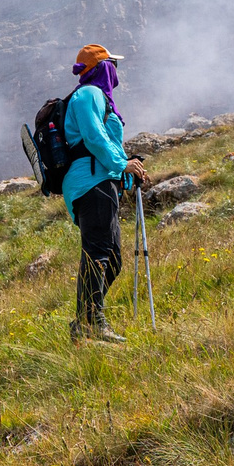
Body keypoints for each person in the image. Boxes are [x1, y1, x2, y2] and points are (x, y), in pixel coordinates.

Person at [60, 43, 146, 344]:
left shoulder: (96, 97)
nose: (115, 72)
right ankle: (92, 323)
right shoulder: (88, 95)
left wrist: (124, 172)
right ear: (101, 68)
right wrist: (123, 164)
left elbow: (104, 140)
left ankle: (85, 321)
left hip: (100, 181)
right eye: (113, 65)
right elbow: (94, 137)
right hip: (90, 182)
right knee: (98, 253)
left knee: (112, 259)